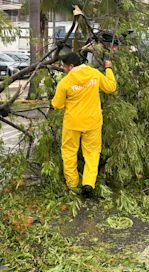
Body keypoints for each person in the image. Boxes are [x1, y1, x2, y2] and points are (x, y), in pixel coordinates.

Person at [51, 53, 117, 198]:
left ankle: (72, 185)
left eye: (65, 67)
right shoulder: (94, 74)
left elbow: (57, 104)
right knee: (92, 154)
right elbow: (111, 87)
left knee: (69, 153)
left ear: (71, 66)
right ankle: (88, 184)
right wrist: (109, 68)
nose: (64, 70)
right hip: (93, 122)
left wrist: (69, 99)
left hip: (72, 123)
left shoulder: (65, 82)